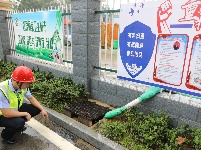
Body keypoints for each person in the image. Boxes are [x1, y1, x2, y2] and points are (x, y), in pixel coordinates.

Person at [0, 66, 48, 144]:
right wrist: (25, 113)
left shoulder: (22, 86)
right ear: (18, 82)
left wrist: (42, 109)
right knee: (19, 122)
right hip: (2, 115)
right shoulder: (2, 90)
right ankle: (6, 136)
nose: (28, 85)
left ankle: (15, 126)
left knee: (36, 108)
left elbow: (31, 98)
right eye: (27, 84)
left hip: (13, 110)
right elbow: (6, 113)